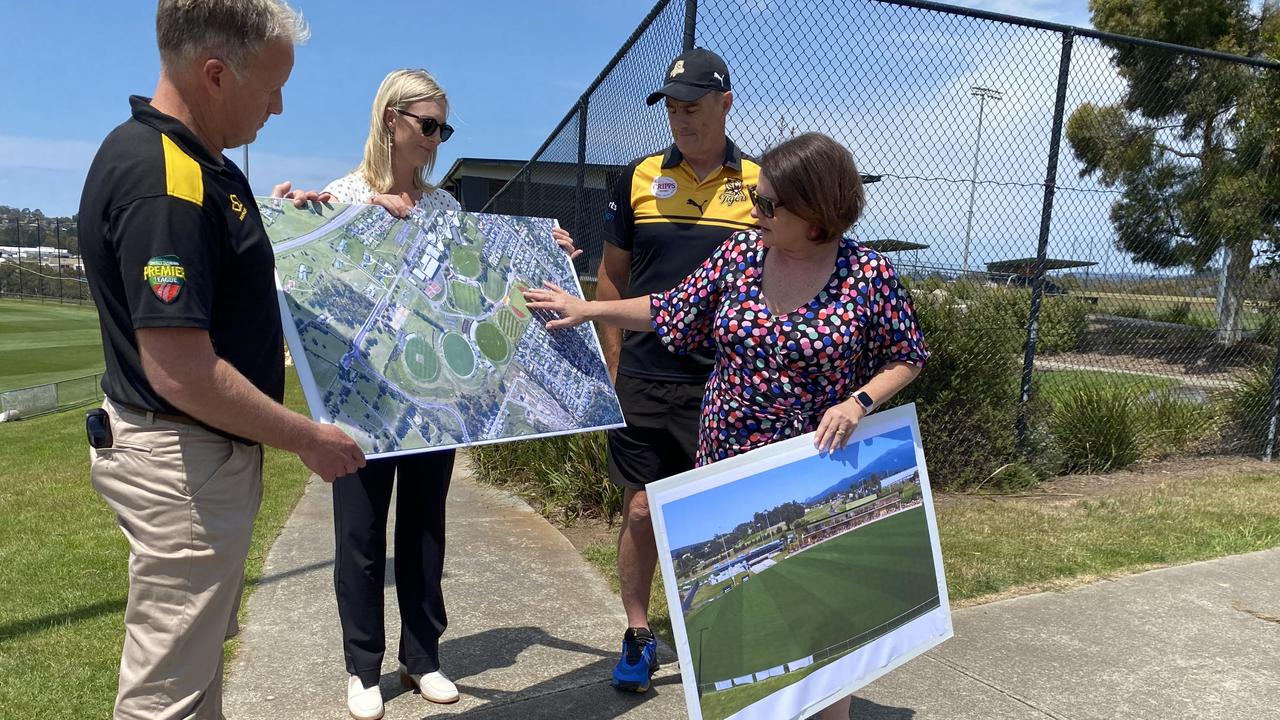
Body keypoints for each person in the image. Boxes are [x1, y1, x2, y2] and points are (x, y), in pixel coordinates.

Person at [525, 131, 928, 720]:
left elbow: (908, 354)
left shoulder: (869, 275)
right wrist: (589, 308)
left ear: (814, 213)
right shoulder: (741, 255)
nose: (754, 214)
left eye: (768, 205)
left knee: (823, 644)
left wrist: (858, 403)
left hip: (812, 462)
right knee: (736, 646)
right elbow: (667, 309)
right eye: (756, 200)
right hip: (727, 461)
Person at [77, 2, 366, 719]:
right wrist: (308, 438)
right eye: (270, 87)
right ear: (213, 74)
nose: (278, 106)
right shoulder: (165, 181)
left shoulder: (201, 166)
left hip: (199, 460)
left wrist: (302, 215)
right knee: (165, 698)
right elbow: (181, 369)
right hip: (184, 464)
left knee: (195, 673)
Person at [318, 68, 579, 720]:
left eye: (444, 129)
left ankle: (422, 656)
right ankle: (361, 668)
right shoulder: (342, 194)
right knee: (358, 532)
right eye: (427, 125)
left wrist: (547, 254)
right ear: (391, 121)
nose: (435, 140)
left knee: (424, 526)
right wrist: (345, 215)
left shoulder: (445, 208)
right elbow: (312, 276)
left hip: (433, 397)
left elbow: (483, 289)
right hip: (362, 401)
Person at [594, 46, 762, 693]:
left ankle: (719, 638)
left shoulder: (760, 182)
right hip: (643, 381)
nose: (681, 120)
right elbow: (611, 278)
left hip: (725, 387)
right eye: (672, 108)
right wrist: (613, 364)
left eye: (692, 107)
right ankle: (639, 637)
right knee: (640, 512)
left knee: (719, 516)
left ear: (724, 104)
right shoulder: (634, 179)